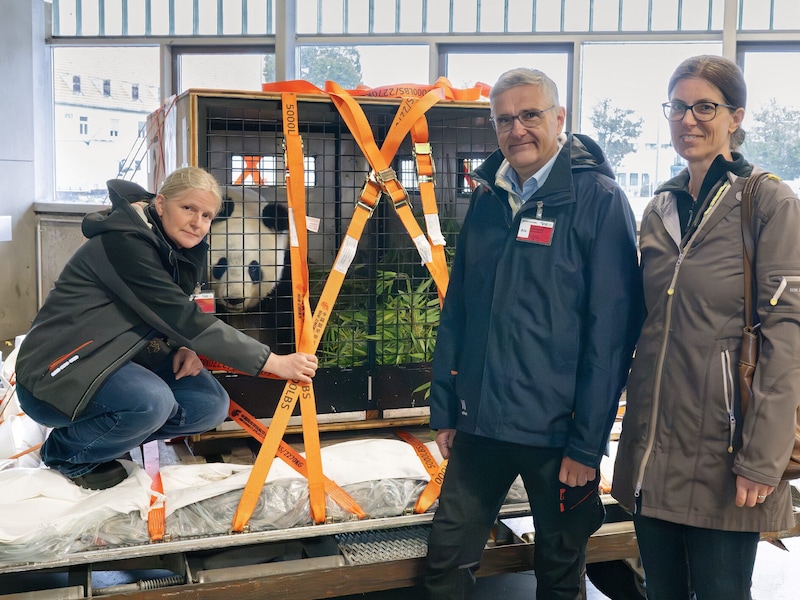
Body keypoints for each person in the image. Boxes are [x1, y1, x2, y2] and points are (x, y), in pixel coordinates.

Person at [424, 67, 644, 599]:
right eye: (504, 120)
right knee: (446, 562)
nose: (516, 129)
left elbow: (611, 334)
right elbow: (459, 311)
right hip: (480, 427)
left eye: (529, 115)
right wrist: (446, 409)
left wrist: (587, 446)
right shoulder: (488, 198)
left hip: (558, 435)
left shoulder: (598, 199)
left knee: (561, 568)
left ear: (559, 118)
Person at [612, 55, 800, 600]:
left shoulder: (766, 202)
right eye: (677, 107)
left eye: (704, 107)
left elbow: (787, 340)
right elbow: (648, 328)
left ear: (735, 117)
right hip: (654, 450)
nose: (688, 119)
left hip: (727, 454)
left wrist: (761, 463)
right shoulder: (660, 207)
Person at [15, 166, 317, 490]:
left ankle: (103, 436)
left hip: (113, 356)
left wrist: (181, 346)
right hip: (57, 372)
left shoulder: (172, 248)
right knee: (152, 401)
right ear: (160, 204)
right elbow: (182, 316)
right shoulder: (125, 244)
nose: (197, 222)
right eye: (188, 208)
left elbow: (155, 315)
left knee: (209, 404)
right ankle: (67, 452)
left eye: (206, 215)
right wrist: (274, 362)